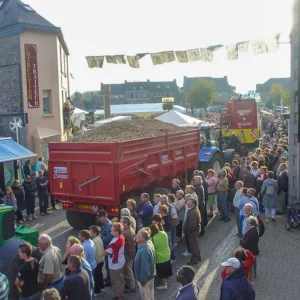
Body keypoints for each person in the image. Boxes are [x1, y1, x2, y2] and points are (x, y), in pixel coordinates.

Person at [105, 222, 125, 300]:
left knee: (116, 281)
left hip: (115, 265)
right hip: (121, 261)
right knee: (120, 279)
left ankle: (119, 296)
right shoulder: (121, 237)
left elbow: (107, 252)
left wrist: (105, 251)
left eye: (112, 230)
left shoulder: (114, 243)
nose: (111, 232)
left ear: (117, 232)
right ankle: (120, 294)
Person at [134, 229, 156, 300]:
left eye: (138, 235)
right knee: (150, 296)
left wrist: (143, 282)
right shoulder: (148, 243)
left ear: (142, 239)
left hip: (146, 280)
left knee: (146, 297)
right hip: (150, 277)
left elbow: (144, 268)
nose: (136, 236)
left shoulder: (144, 251)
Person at [149, 224, 172, 290]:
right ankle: (162, 282)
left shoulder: (152, 239)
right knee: (165, 271)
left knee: (161, 273)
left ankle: (163, 284)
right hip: (167, 254)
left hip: (160, 258)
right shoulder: (163, 233)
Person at [95, 210, 113, 287]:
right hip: (106, 248)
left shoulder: (108, 226)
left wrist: (100, 236)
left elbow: (109, 238)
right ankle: (108, 277)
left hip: (108, 248)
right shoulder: (104, 224)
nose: (98, 219)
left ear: (104, 217)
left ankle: (110, 280)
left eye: (99, 217)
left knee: (108, 265)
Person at [240, 216, 260, 285]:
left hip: (250, 251)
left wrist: (241, 241)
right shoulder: (254, 230)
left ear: (250, 224)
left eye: (247, 223)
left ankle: (250, 280)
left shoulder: (252, 231)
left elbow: (246, 243)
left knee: (249, 267)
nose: (246, 224)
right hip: (252, 251)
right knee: (251, 266)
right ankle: (251, 279)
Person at [120, 216, 136, 293]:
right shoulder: (130, 229)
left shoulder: (124, 233)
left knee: (128, 271)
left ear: (125, 223)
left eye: (121, 222)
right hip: (131, 253)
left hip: (128, 255)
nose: (120, 224)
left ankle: (131, 286)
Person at [183, 198, 201, 265]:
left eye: (190, 202)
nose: (188, 203)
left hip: (192, 232)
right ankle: (198, 257)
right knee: (195, 244)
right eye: (188, 202)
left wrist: (188, 231)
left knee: (193, 246)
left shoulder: (193, 212)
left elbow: (192, 224)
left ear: (194, 204)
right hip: (194, 231)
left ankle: (194, 259)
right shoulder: (193, 210)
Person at [89, 225, 104, 295]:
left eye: (91, 232)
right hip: (101, 260)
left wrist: (97, 261)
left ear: (95, 233)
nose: (89, 233)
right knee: (99, 274)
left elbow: (98, 252)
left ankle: (97, 290)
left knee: (96, 276)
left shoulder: (95, 241)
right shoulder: (98, 238)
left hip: (98, 261)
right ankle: (101, 286)